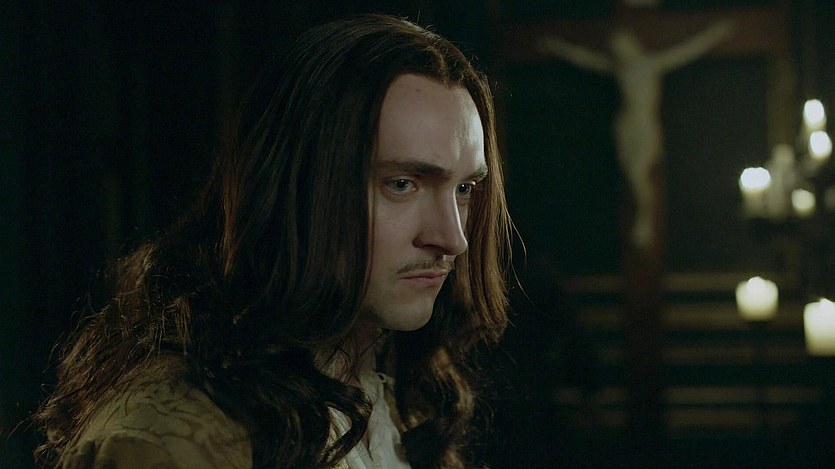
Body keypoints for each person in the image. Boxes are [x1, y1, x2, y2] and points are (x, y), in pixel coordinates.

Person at [34, 13, 513, 469]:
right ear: (295, 188)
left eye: (465, 189)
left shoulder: (389, 381)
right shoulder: (171, 439)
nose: (452, 238)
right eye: (402, 184)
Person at [539, 21, 733, 248]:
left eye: (621, 46)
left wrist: (714, 34)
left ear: (631, 44)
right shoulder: (618, 68)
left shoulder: (650, 64)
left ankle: (644, 219)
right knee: (630, 172)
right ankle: (642, 220)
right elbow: (585, 59)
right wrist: (557, 47)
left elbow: (686, 51)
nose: (619, 51)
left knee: (637, 171)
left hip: (644, 125)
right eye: (615, 49)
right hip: (625, 125)